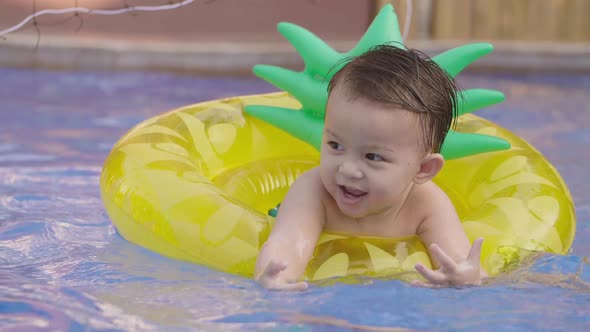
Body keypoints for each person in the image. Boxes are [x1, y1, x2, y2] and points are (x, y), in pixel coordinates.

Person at [255, 44, 486, 290]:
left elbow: (458, 257)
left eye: (373, 157)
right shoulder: (313, 190)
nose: (347, 170)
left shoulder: (427, 203)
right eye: (336, 145)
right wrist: (275, 276)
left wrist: (466, 275)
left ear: (423, 169)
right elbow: (289, 242)